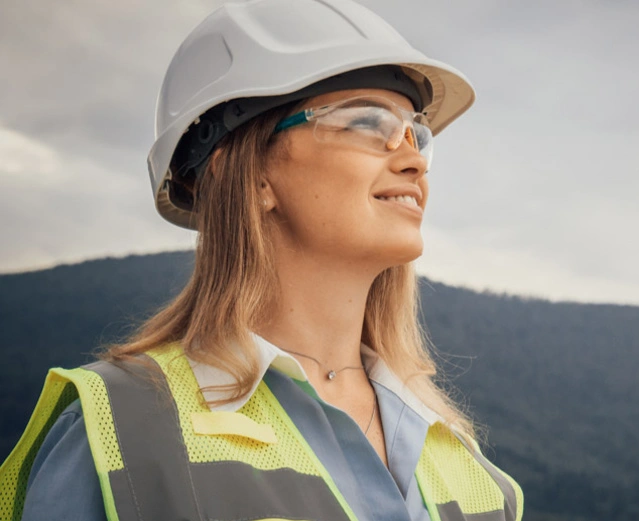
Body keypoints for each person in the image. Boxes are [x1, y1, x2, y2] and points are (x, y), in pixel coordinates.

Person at [0, 1, 523, 520]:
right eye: (368, 122)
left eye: (415, 134)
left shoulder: (470, 472)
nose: (413, 160)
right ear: (252, 177)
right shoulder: (121, 436)